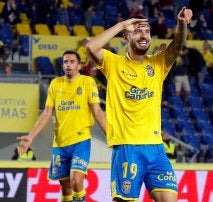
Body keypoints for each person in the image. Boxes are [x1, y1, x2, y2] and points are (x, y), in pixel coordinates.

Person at [86, 7, 192, 202]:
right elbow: (91, 47)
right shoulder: (114, 63)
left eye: (147, 31)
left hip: (156, 148)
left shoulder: (159, 63)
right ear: (126, 37)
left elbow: (178, 43)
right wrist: (121, 25)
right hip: (128, 147)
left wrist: (181, 24)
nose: (144, 35)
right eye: (137, 31)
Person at [17, 50, 106, 202]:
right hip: (60, 143)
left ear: (79, 66)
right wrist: (30, 137)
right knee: (65, 186)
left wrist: (110, 134)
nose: (68, 65)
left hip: (81, 140)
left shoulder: (87, 82)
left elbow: (97, 110)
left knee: (76, 181)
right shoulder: (55, 84)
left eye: (72, 62)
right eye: (65, 62)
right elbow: (46, 113)